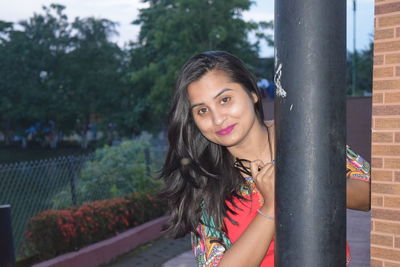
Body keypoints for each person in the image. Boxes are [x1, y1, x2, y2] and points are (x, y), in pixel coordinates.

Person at [160, 51, 370, 267]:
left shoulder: (302, 136)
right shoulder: (204, 180)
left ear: (252, 93)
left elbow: (370, 191)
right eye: (202, 110)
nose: (217, 119)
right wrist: (270, 208)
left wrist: (304, 181)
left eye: (225, 100)